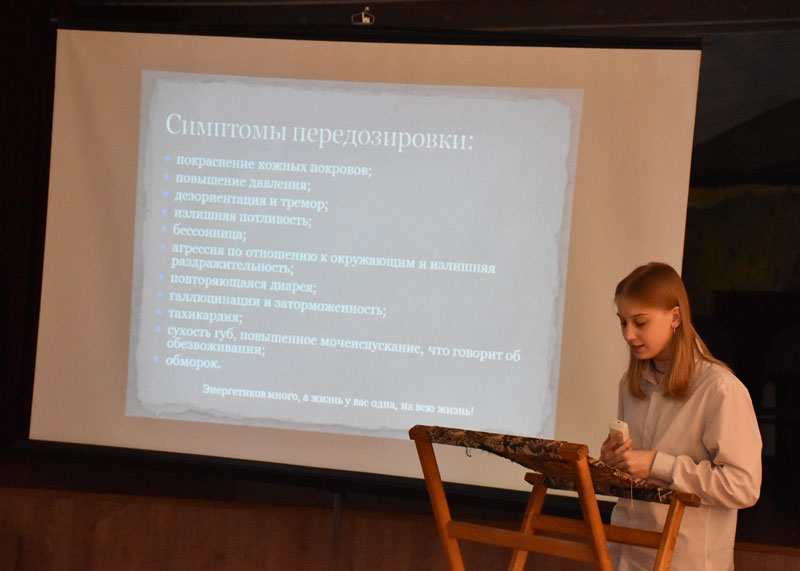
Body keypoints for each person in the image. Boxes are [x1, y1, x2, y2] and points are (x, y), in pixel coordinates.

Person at [600, 262, 761, 571]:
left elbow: (744, 486)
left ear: (675, 317)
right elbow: (634, 470)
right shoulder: (630, 384)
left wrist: (657, 464)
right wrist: (613, 463)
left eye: (640, 322)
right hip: (628, 554)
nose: (629, 335)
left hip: (687, 561)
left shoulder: (720, 389)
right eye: (622, 323)